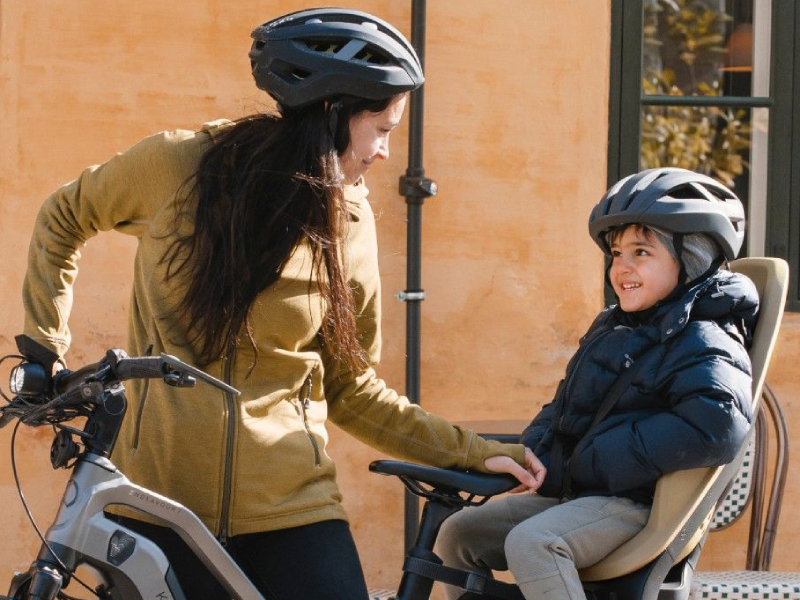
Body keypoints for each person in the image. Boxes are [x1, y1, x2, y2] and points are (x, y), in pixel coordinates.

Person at [20, 8, 543, 600]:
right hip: (158, 507)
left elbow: (352, 389)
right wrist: (44, 349)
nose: (384, 153)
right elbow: (62, 217)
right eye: (382, 129)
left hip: (293, 514)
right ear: (330, 115)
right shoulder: (176, 167)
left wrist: (478, 452)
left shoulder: (349, 221)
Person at [437, 167, 758, 600]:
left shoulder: (705, 338)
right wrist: (536, 454)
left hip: (636, 504)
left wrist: (589, 458)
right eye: (617, 253)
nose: (621, 267)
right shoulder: (618, 326)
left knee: (535, 544)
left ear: (693, 258)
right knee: (458, 532)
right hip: (582, 494)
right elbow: (565, 404)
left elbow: (715, 424)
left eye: (641, 252)